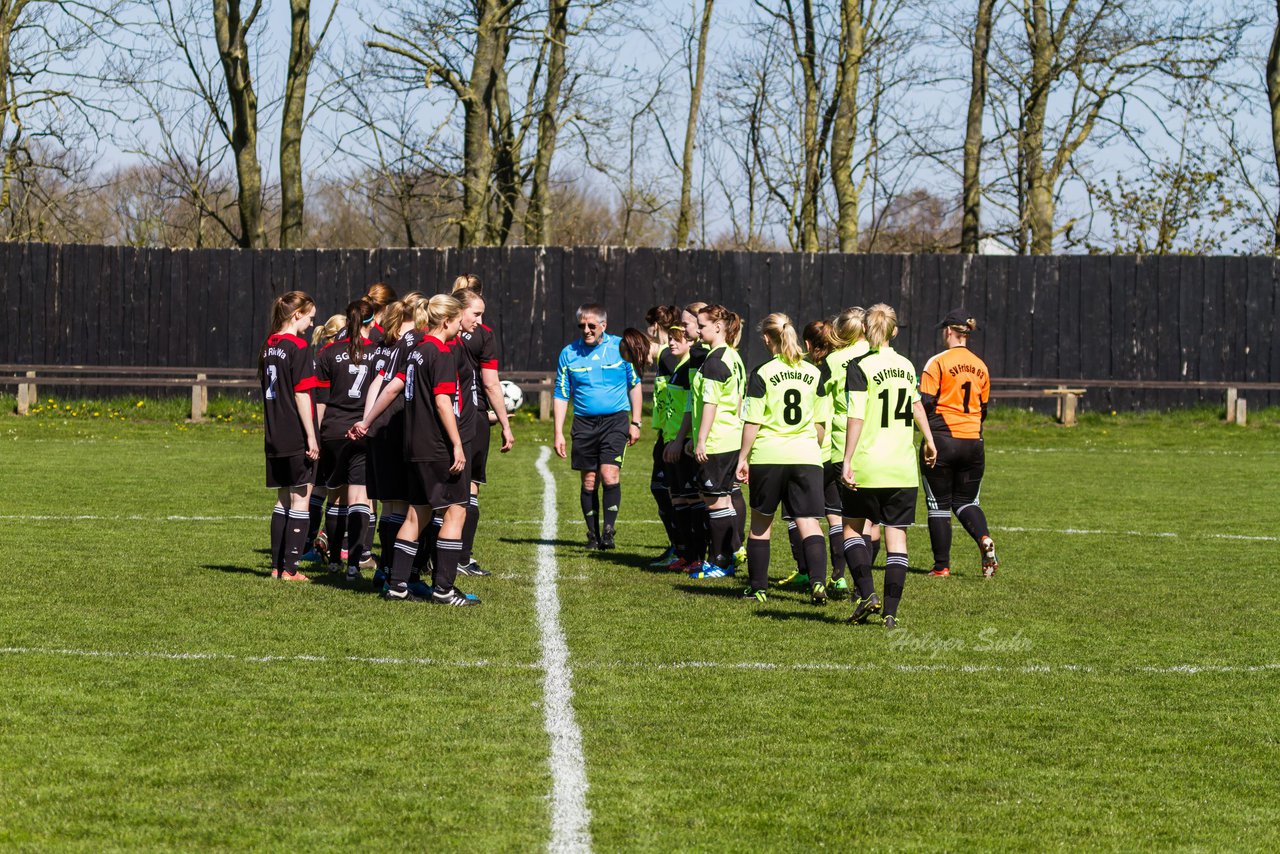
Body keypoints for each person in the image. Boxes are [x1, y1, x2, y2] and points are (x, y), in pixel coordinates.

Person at [358, 294, 479, 605]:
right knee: (456, 511)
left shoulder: (415, 350)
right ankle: (444, 590)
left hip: (413, 446)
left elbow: (393, 385)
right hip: (437, 446)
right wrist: (456, 444)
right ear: (448, 321)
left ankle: (397, 585)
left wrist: (367, 420)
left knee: (416, 514)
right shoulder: (440, 352)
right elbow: (442, 402)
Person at [840, 304, 937, 629]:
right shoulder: (907, 365)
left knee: (852, 528)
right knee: (897, 539)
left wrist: (848, 459)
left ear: (866, 330)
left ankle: (867, 593)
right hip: (901, 466)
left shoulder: (859, 366)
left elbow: (856, 415)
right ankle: (891, 613)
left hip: (869, 463)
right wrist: (929, 440)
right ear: (894, 331)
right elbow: (916, 405)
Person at [737, 313, 830, 605]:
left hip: (769, 455)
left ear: (767, 338)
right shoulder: (815, 373)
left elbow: (752, 422)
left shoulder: (763, 373)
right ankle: (817, 584)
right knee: (809, 523)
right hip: (806, 456)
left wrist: (743, 457)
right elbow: (821, 425)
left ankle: (759, 588)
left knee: (761, 525)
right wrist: (806, 446)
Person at [553, 303, 643, 551]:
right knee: (589, 480)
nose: (587, 330)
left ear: (604, 325)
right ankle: (592, 534)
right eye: (582, 325)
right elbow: (561, 393)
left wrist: (636, 422)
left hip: (615, 421)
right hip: (583, 423)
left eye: (592, 325)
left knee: (609, 473)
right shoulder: (568, 353)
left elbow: (634, 385)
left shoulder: (620, 347)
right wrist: (558, 432)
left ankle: (609, 531)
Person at [919, 308, 999, 578]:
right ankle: (984, 537)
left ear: (949, 331)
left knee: (938, 504)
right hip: (973, 441)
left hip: (943, 439)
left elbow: (926, 402)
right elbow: (983, 409)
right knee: (967, 501)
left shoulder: (937, 362)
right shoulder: (981, 365)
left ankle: (941, 566)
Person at [313, 297, 380, 580]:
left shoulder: (328, 352)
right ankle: (354, 564)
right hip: (363, 430)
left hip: (333, 431)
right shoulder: (379, 352)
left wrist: (317, 435)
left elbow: (321, 401)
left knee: (335, 496)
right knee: (359, 498)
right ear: (371, 322)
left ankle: (332, 563)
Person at [452, 286, 515, 576]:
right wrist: (504, 423)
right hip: (471, 417)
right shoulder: (483, 335)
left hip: (439, 418)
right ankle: (462, 558)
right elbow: (490, 383)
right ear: (459, 309)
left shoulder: (432, 335)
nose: (479, 319)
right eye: (476, 313)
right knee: (469, 488)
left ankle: (428, 558)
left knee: (440, 493)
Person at [259, 291, 320, 582]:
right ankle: (291, 570)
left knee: (283, 499)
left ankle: (276, 566)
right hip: (294, 432)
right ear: (296, 315)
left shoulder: (268, 346)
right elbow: (301, 394)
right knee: (301, 498)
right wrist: (311, 436)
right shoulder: (298, 346)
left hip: (273, 433)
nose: (310, 324)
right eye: (309, 317)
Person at [683, 304, 745, 579]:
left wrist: (701, 441)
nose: (698, 329)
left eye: (702, 325)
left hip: (718, 441)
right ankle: (731, 553)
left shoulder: (715, 360)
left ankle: (720, 562)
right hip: (732, 437)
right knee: (726, 500)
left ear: (718, 327)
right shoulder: (734, 356)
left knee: (716, 503)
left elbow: (711, 403)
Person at [643, 305, 684, 566]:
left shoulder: (669, 357)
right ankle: (678, 547)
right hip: (667, 433)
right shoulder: (665, 358)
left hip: (675, 434)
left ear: (655, 326)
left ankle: (681, 548)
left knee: (668, 490)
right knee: (662, 489)